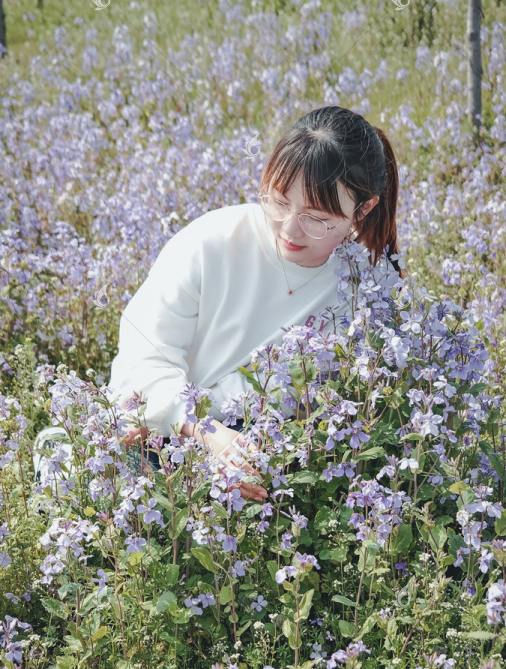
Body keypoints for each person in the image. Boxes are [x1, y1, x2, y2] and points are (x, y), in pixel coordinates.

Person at [33, 106, 404, 504]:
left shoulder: (367, 290)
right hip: (166, 430)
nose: (289, 228)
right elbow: (143, 361)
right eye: (278, 201)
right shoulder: (214, 241)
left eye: (316, 219)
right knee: (96, 488)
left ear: (361, 210)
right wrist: (207, 434)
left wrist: (251, 455)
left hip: (263, 451)